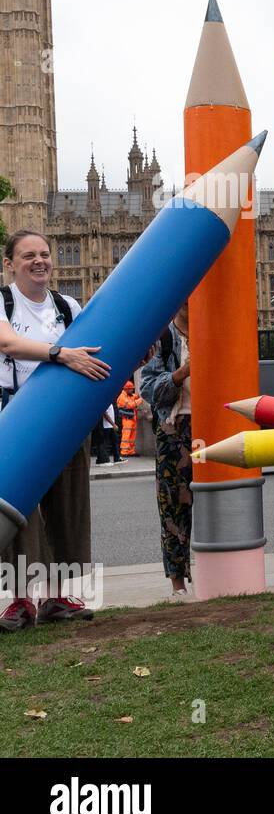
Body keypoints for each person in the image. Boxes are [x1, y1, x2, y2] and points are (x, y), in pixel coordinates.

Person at [0, 230, 109, 630]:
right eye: (29, 255)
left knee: (69, 506)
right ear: (10, 263)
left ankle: (59, 596)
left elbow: (95, 354)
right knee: (19, 510)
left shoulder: (68, 305)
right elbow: (8, 344)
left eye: (45, 254)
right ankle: (21, 600)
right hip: (16, 415)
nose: (40, 261)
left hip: (65, 418)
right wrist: (60, 352)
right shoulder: (2, 302)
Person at [139, 303, 194, 597]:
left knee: (219, 502)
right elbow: (146, 388)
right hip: (175, 428)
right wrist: (180, 374)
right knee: (173, 505)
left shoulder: (217, 327)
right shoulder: (164, 336)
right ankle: (178, 582)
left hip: (215, 425)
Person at [116, 381, 142, 456]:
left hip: (132, 418)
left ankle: (131, 451)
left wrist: (139, 395)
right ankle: (124, 452)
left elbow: (134, 396)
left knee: (132, 436)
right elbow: (130, 405)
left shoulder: (129, 395)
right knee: (126, 435)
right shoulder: (122, 397)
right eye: (131, 389)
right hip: (126, 418)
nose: (132, 390)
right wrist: (138, 401)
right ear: (126, 389)